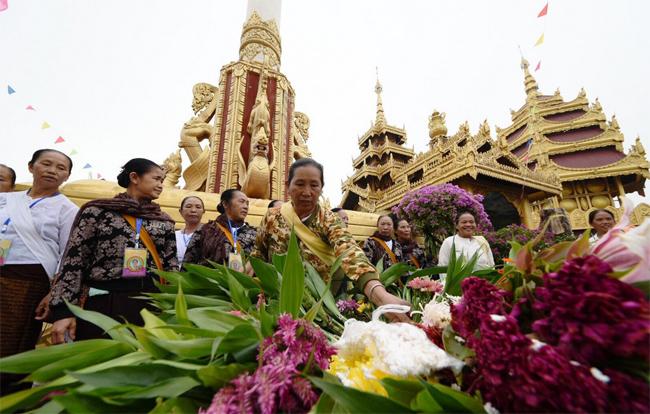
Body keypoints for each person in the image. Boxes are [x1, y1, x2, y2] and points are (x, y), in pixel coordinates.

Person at [252, 158, 409, 322]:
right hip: (278, 301)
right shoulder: (272, 217)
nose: (307, 192)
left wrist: (379, 295)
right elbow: (259, 254)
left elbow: (349, 251)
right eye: (299, 184)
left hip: (321, 307)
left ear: (321, 189)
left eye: (314, 185)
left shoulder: (329, 219)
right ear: (288, 186)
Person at [47, 158, 178, 344]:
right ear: (134, 177)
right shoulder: (98, 212)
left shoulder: (164, 221)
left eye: (162, 181)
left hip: (150, 304)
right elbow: (74, 261)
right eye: (157, 179)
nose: (161, 185)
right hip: (102, 301)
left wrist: (173, 306)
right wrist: (63, 310)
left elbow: (171, 267)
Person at [0, 149, 77, 394]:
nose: (53, 170)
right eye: (46, 164)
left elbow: (68, 255)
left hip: (29, 285)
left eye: (61, 168)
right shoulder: (6, 200)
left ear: (66, 176)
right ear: (31, 167)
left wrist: (53, 292)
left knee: (12, 346)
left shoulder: (67, 209)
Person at [183, 189, 256, 269]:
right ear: (225, 204)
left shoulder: (254, 233)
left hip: (242, 280)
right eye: (241, 202)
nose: (245, 207)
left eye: (247, 204)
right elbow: (188, 262)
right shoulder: (206, 229)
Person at [175, 196, 205, 266]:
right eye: (188, 206)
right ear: (180, 211)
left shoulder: (209, 236)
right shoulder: (173, 235)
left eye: (198, 207)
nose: (193, 210)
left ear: (203, 211)